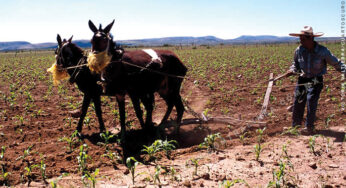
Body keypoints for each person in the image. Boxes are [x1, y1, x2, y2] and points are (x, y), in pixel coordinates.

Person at [285, 26, 346, 134]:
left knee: (311, 100)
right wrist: (292, 70)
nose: (300, 41)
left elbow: (336, 63)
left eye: (303, 39)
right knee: (298, 101)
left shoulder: (322, 51)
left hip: (316, 80)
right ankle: (295, 127)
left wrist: (345, 71)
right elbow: (296, 64)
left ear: (311, 39)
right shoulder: (299, 50)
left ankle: (309, 127)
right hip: (302, 79)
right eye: (300, 38)